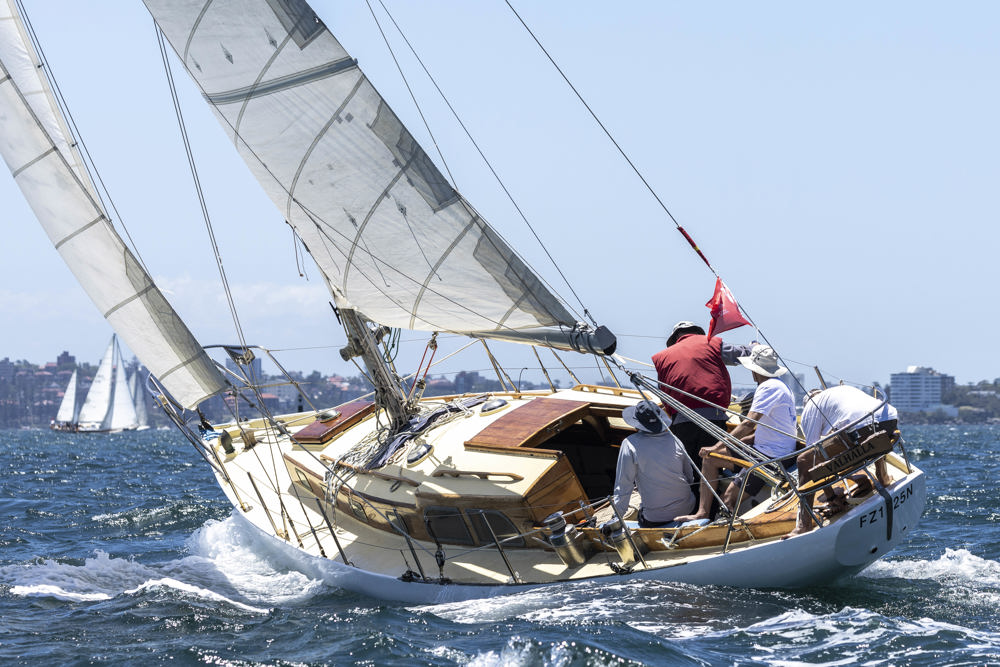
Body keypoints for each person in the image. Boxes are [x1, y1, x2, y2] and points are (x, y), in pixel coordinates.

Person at [674, 345, 798, 522]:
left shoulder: (767, 387)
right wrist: (739, 443)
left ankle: (729, 527)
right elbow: (771, 430)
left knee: (728, 498)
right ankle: (702, 512)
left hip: (770, 458)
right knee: (710, 459)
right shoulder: (782, 386)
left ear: (754, 371)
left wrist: (716, 446)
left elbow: (748, 423)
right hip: (769, 450)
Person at [788, 385, 899, 536]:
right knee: (869, 439)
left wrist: (830, 496)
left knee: (803, 460)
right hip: (890, 419)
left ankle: (804, 525)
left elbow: (813, 460)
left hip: (861, 430)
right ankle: (883, 477)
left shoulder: (810, 408)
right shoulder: (840, 391)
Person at [651, 321, 752, 470]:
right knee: (711, 466)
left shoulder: (663, 357)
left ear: (675, 338)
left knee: (689, 470)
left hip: (681, 422)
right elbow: (741, 354)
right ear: (698, 333)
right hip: (713, 417)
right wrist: (754, 347)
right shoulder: (710, 343)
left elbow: (663, 393)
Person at [611, 400, 696, 527]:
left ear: (637, 424)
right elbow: (689, 477)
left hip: (656, 518)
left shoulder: (629, 443)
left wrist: (616, 517)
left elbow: (624, 485)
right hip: (688, 507)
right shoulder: (675, 439)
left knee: (641, 514)